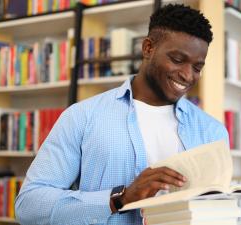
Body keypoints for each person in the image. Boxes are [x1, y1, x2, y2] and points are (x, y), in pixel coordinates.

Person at [15, 3, 228, 225]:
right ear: (148, 48)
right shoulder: (82, 117)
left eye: (197, 67)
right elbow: (29, 206)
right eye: (177, 59)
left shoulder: (212, 132)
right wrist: (121, 198)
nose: (187, 75)